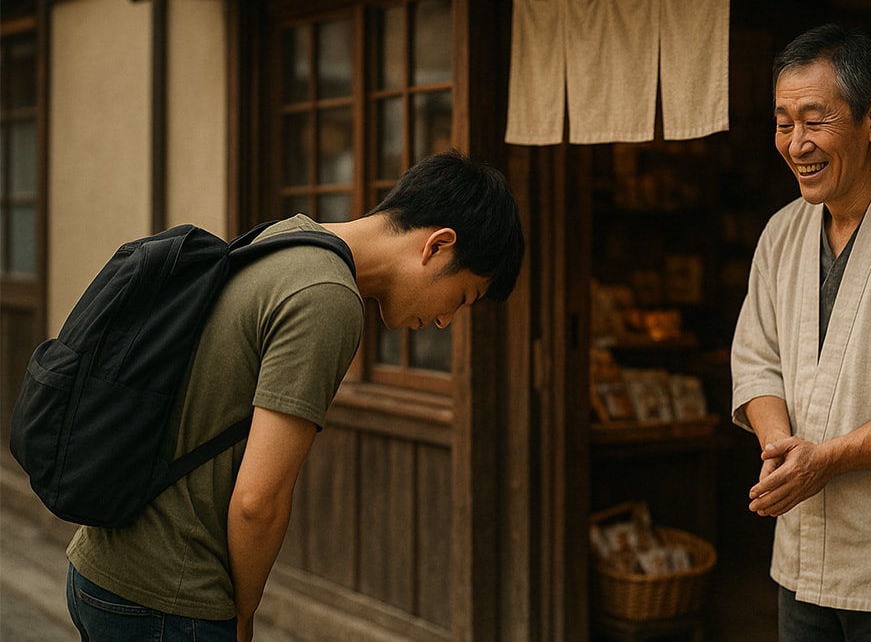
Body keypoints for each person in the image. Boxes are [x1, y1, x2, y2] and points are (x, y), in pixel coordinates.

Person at [63, 150, 525, 641]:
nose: (444, 321)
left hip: (104, 561)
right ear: (438, 246)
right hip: (169, 598)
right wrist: (242, 617)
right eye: (461, 298)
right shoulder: (328, 296)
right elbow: (258, 501)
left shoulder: (288, 236)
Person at [730, 24, 871, 641]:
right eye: (782, 122)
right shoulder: (781, 232)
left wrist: (823, 462)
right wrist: (781, 449)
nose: (795, 143)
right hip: (798, 558)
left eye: (814, 120)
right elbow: (755, 359)